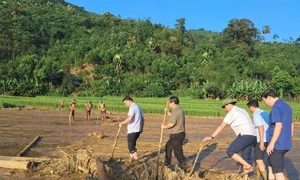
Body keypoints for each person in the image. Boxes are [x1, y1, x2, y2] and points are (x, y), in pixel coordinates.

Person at [203, 97, 257, 176]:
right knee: (245, 158)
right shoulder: (242, 110)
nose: (225, 109)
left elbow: (222, 126)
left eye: (225, 107)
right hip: (253, 136)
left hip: (245, 135)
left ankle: (249, 167)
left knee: (230, 151)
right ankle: (246, 176)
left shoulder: (232, 113)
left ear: (228, 105)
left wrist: (211, 137)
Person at [261, 89, 294, 180]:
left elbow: (278, 126)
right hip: (285, 143)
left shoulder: (276, 107)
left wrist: (271, 144)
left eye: (265, 101)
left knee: (278, 173)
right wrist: (288, 139)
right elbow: (291, 125)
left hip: (277, 144)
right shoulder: (287, 106)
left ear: (269, 97)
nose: (266, 104)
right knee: (271, 166)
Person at [162, 96, 187, 172]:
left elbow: (171, 124)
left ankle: (184, 167)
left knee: (178, 152)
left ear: (173, 102)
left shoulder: (176, 111)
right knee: (168, 147)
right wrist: (168, 113)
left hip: (177, 135)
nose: (169, 104)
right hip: (178, 134)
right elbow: (174, 118)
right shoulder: (179, 109)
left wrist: (164, 126)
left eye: (169, 103)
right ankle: (167, 164)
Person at [247, 99, 269, 180]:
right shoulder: (265, 113)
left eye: (249, 108)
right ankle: (257, 177)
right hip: (268, 139)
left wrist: (261, 142)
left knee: (259, 160)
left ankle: (264, 178)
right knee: (259, 159)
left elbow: (260, 127)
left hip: (261, 139)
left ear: (251, 107)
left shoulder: (256, 115)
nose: (250, 110)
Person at [119, 96, 144, 162]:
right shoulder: (139, 107)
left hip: (133, 130)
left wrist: (122, 123)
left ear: (129, 101)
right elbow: (143, 119)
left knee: (131, 146)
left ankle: (136, 160)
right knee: (132, 144)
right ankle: (130, 159)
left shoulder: (132, 107)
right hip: (138, 130)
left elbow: (130, 118)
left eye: (125, 103)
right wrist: (141, 128)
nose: (125, 105)